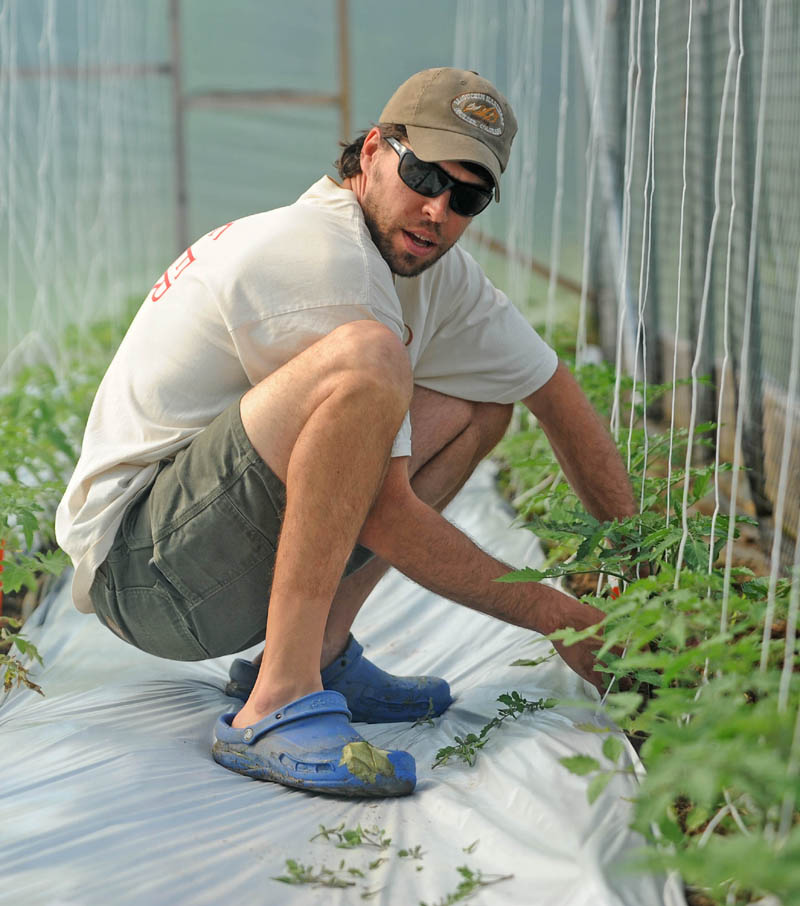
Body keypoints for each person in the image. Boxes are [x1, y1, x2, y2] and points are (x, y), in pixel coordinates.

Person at [56, 67, 637, 798]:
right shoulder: (319, 253)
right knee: (369, 358)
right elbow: (385, 512)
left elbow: (550, 390)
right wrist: (564, 618)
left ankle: (320, 653)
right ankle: (278, 699)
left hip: (205, 557)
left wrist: (640, 569)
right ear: (371, 153)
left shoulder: (429, 269)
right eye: (423, 174)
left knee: (479, 408)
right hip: (145, 574)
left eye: (467, 196)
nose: (436, 210)